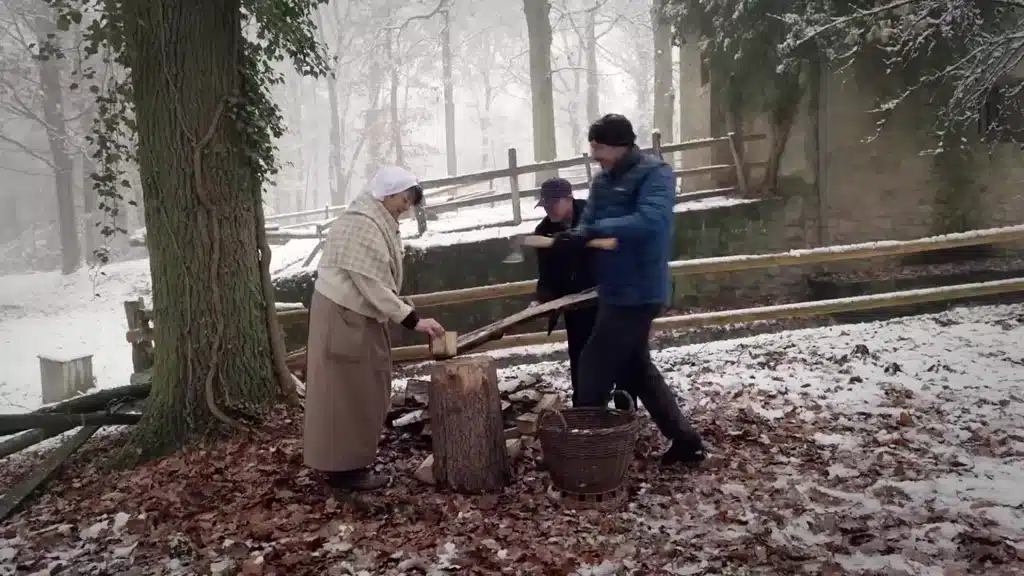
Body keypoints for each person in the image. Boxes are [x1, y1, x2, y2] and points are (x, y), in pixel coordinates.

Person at [556, 113, 707, 467]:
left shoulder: (656, 174)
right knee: (636, 369)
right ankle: (687, 443)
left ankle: (588, 453)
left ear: (619, 145)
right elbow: (589, 221)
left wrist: (598, 231)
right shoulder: (601, 182)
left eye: (599, 147)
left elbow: (651, 221)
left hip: (641, 288)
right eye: (592, 147)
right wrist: (575, 237)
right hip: (613, 288)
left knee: (593, 365)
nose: (594, 155)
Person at [304, 166, 446, 493]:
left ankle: (349, 464)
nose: (406, 208)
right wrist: (412, 319)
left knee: (364, 388)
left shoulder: (373, 220)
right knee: (347, 394)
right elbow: (370, 284)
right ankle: (345, 472)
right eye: (403, 200)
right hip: (344, 318)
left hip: (356, 315)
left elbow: (377, 282)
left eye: (410, 202)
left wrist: (401, 308)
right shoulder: (360, 226)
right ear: (387, 194)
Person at [528, 177, 600, 405]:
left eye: (553, 203)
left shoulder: (594, 214)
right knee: (580, 359)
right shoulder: (543, 231)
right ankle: (585, 410)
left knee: (618, 356)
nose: (548, 209)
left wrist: (578, 238)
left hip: (606, 299)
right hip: (574, 306)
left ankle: (624, 411)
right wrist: (542, 299)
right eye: (545, 204)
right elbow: (547, 276)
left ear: (569, 199)